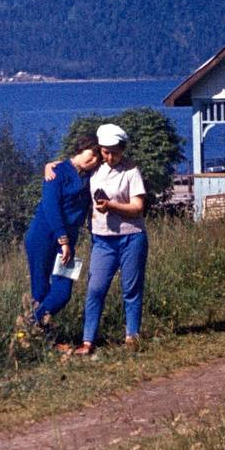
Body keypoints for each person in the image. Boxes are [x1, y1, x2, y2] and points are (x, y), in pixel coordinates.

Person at [71, 123, 147, 356]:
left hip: (131, 236)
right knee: (95, 289)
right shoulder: (94, 169)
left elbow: (138, 207)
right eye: (106, 152)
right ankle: (88, 341)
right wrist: (50, 166)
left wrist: (112, 206)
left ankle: (132, 336)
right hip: (103, 239)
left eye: (115, 152)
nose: (110, 157)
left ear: (122, 149)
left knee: (131, 289)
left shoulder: (131, 171)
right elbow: (72, 165)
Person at [20, 134, 102, 341]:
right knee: (40, 290)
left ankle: (28, 326)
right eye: (92, 154)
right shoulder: (56, 171)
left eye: (98, 158)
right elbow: (51, 207)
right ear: (80, 149)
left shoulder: (90, 175)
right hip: (43, 236)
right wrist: (63, 239)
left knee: (63, 292)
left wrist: (67, 241)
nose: (94, 160)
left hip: (68, 240)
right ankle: (42, 340)